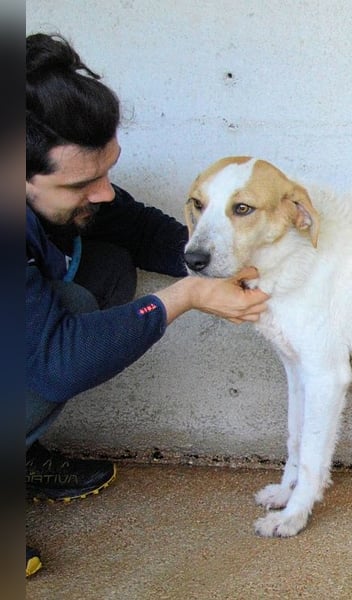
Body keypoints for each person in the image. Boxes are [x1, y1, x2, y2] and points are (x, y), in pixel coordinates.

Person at [25, 32, 270, 577]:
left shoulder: (68, 191)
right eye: (83, 182)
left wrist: (222, 263)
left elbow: (137, 227)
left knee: (105, 263)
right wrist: (188, 294)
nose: (105, 191)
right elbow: (56, 363)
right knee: (57, 337)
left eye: (109, 169)